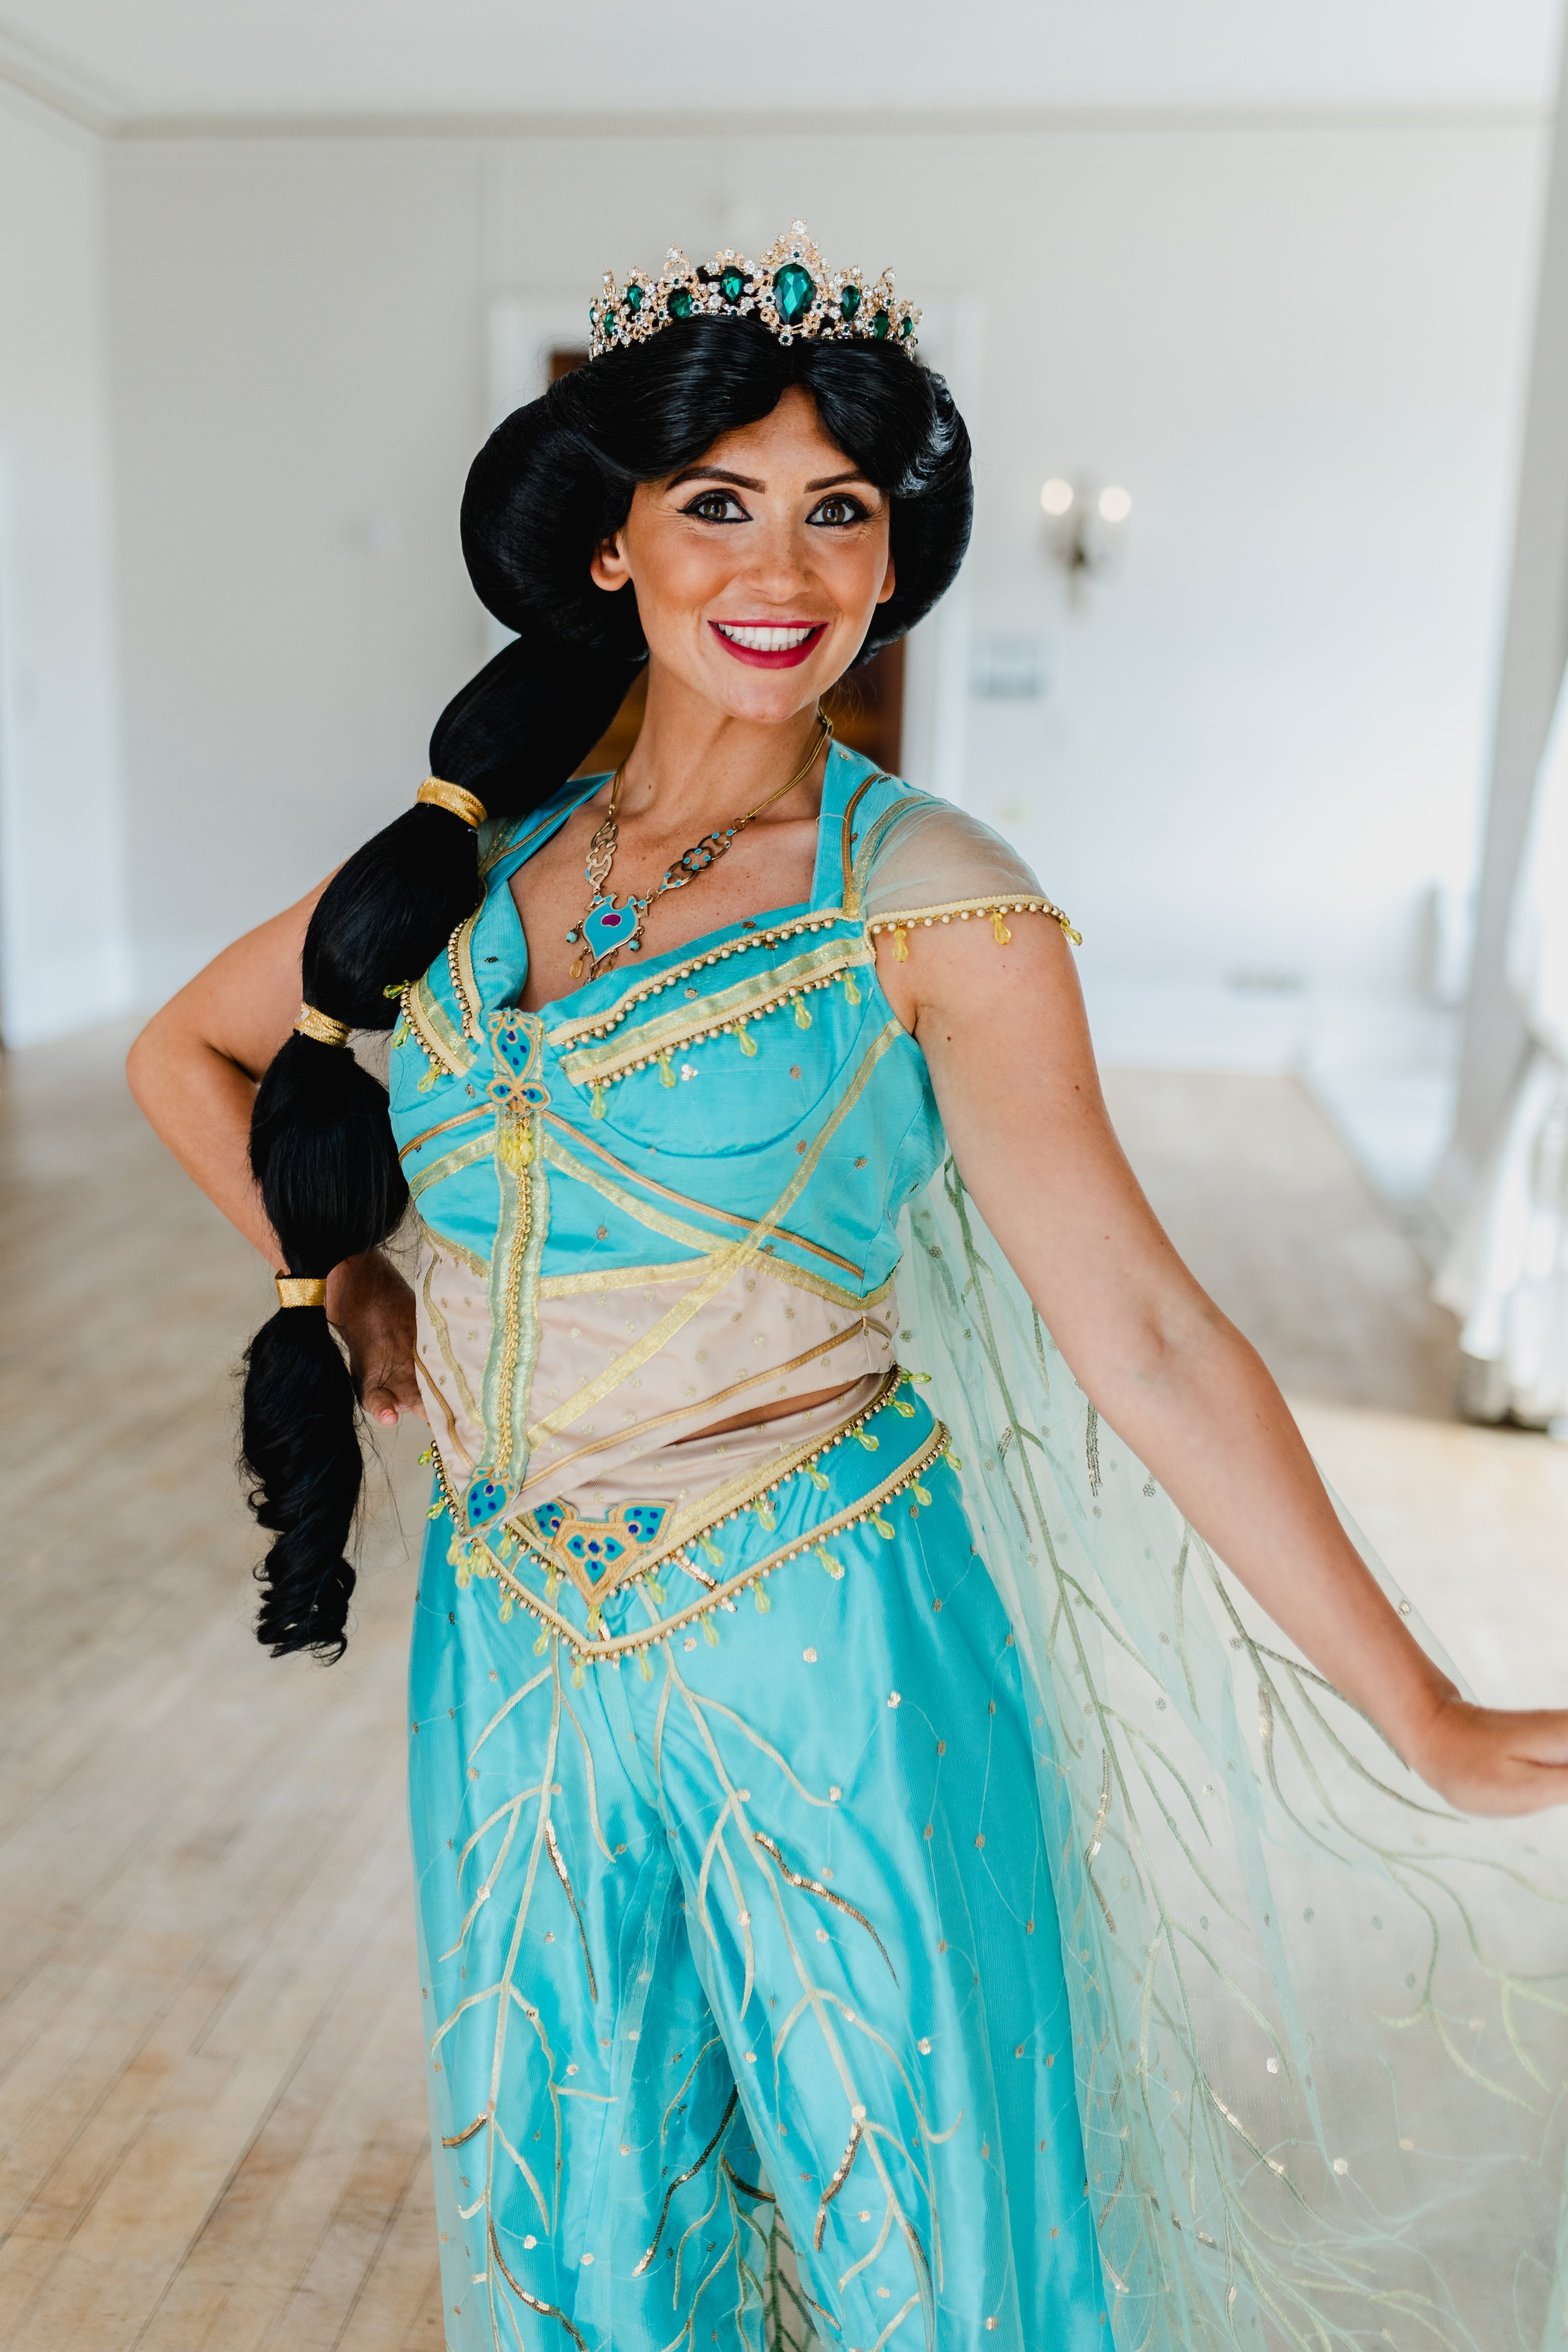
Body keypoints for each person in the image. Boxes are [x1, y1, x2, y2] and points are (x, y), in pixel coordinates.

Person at [129, 225, 1568, 2352]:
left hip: (826, 1632)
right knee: (575, 2219)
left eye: (838, 512)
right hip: (513, 1638)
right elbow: (195, 1051)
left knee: (932, 2230)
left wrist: (1420, 1712)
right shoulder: (463, 868)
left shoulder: (935, 906)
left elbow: (1150, 1334)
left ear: (895, 564)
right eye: (716, 502)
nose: (777, 566)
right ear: (607, 545)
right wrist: (335, 1273)